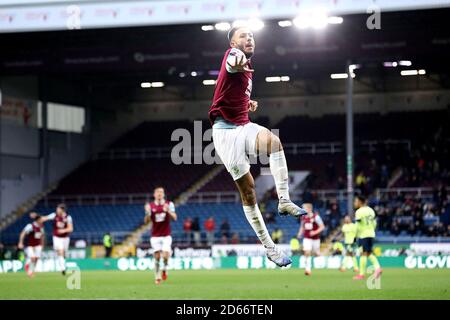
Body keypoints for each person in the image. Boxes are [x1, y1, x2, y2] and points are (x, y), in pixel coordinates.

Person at [209, 25, 307, 267]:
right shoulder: (232, 56)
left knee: (274, 143)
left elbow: (232, 87)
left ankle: (283, 199)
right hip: (225, 134)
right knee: (249, 192)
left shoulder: (247, 70)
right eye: (243, 35)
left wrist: (247, 101)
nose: (249, 37)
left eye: (251, 35)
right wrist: (239, 61)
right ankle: (270, 249)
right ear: (233, 43)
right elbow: (233, 61)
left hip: (243, 125)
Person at [144, 186, 177, 285]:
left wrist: (168, 211)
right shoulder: (150, 206)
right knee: (157, 256)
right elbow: (146, 222)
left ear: (163, 194)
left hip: (166, 235)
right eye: (157, 192)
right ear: (154, 195)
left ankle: (165, 269)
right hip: (155, 235)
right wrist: (148, 213)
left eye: (161, 192)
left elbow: (175, 218)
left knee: (166, 255)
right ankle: (157, 275)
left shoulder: (169, 204)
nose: (159, 194)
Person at [35, 203, 73, 276]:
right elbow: (44, 218)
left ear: (62, 210)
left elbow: (70, 229)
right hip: (57, 237)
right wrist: (37, 217)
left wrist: (63, 230)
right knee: (60, 251)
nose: (57, 210)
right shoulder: (54, 215)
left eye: (58, 209)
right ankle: (63, 268)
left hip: (65, 238)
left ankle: (63, 264)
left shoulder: (68, 217)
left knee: (64, 253)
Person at [353, 195, 382, 280]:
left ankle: (361, 274)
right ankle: (378, 268)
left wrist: (355, 236)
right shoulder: (371, 210)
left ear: (360, 202)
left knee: (363, 254)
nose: (354, 203)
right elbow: (374, 223)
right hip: (371, 233)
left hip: (363, 235)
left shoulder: (359, 212)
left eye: (355, 201)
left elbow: (357, 225)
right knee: (369, 253)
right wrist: (371, 230)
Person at [297, 203, 325, 276]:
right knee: (307, 252)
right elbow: (302, 226)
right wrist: (300, 233)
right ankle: (307, 269)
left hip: (315, 239)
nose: (302, 210)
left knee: (316, 253)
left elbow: (322, 227)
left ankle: (322, 264)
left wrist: (315, 232)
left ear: (309, 209)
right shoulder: (303, 217)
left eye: (304, 208)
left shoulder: (316, 217)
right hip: (307, 238)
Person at [17, 213, 45, 278]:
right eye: (41, 220)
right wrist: (20, 242)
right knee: (33, 258)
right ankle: (30, 272)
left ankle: (31, 270)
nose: (42, 221)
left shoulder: (41, 227)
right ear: (37, 220)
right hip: (30, 245)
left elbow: (42, 236)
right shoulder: (30, 226)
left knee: (36, 259)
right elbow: (23, 233)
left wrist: (42, 245)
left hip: (38, 245)